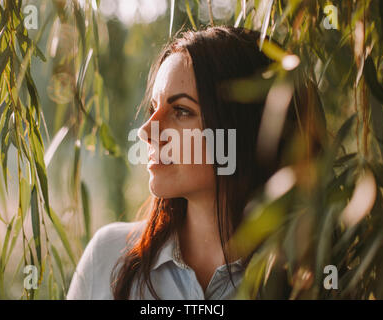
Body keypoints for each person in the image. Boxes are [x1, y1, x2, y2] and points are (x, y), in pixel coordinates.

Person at [67, 25, 308, 300]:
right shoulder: (107, 258)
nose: (146, 131)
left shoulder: (307, 274)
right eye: (153, 108)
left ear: (245, 128)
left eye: (181, 111)